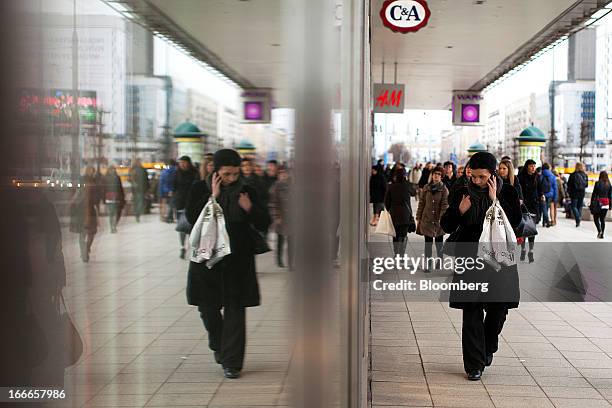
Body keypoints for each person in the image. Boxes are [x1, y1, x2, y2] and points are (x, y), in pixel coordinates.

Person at [186, 149, 268, 379]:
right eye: (226, 174)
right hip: (206, 260)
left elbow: (264, 221)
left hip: (237, 261)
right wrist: (212, 197)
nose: (232, 178)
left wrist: (249, 208)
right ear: (216, 171)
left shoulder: (248, 190)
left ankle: (232, 363)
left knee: (235, 311)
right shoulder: (199, 189)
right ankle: (219, 345)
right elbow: (193, 219)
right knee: (208, 309)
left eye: (235, 173)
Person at [440, 152, 521, 381]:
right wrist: (459, 211)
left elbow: (514, 225)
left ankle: (487, 347)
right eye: (473, 176)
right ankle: (474, 364)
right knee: (472, 309)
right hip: (471, 258)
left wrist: (495, 202)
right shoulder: (461, 191)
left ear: (493, 174)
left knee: (498, 310)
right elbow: (446, 225)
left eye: (481, 177)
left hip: (499, 258)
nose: (476, 181)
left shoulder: (508, 192)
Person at [416, 165, 448, 272]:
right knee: (428, 244)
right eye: (435, 174)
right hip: (427, 220)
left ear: (441, 176)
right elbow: (421, 203)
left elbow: (445, 204)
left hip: (439, 222)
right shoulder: (426, 188)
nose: (436, 176)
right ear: (432, 175)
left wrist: (442, 218)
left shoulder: (444, 189)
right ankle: (428, 264)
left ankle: (440, 260)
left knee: (439, 244)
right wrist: (418, 217)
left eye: (439, 175)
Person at [70, 166, 100, 262]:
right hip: (85, 209)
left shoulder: (93, 181)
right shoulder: (86, 181)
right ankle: (84, 251)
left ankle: (85, 249)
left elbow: (78, 194)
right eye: (92, 171)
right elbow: (79, 193)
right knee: (86, 233)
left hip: (86, 209)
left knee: (89, 232)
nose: (93, 172)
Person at [384, 167, 415, 255]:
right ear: (405, 175)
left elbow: (386, 202)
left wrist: (390, 209)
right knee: (403, 235)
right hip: (406, 215)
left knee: (396, 235)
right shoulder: (407, 185)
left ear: (396, 176)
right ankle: (401, 254)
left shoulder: (391, 187)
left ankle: (396, 253)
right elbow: (414, 192)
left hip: (395, 215)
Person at [174, 155, 199, 259]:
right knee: (182, 226)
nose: (183, 165)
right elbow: (174, 186)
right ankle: (182, 247)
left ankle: (193, 247)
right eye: (181, 163)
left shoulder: (195, 173)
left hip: (193, 203)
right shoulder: (176, 174)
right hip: (180, 203)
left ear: (189, 163)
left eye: (184, 162)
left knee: (193, 227)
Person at [517, 160, 541, 263]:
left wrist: (541, 196)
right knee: (524, 229)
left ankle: (531, 251)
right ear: (527, 167)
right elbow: (518, 190)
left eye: (534, 166)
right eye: (531, 166)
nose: (533, 168)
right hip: (523, 206)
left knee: (532, 229)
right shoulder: (521, 177)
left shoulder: (537, 177)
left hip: (534, 206)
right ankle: (523, 249)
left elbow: (540, 190)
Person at [269, 165, 291, 268]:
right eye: (281, 173)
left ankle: (291, 262)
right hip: (281, 218)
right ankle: (279, 260)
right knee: (280, 241)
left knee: (292, 241)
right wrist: (276, 217)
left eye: (285, 173)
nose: (283, 175)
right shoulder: (275, 187)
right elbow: (273, 204)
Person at [102, 165, 125, 233]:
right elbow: (103, 189)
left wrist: (122, 197)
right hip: (109, 197)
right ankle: (112, 227)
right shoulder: (106, 178)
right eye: (111, 169)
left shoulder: (117, 177)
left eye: (113, 169)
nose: (112, 171)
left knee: (115, 213)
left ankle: (114, 226)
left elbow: (120, 188)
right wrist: (103, 198)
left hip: (116, 197)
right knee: (111, 213)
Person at [567, 162, 589, 227]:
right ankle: (578, 220)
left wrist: (569, 192)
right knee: (579, 207)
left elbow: (569, 184)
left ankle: (577, 218)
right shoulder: (585, 175)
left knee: (573, 207)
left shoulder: (573, 175)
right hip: (582, 193)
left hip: (574, 193)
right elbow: (586, 185)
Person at [591, 171, 612, 239]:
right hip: (606, 203)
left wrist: (591, 203)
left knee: (596, 218)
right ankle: (602, 233)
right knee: (602, 219)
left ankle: (599, 231)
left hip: (598, 203)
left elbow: (594, 194)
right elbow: (610, 196)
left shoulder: (597, 183)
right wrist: (610, 205)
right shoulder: (609, 184)